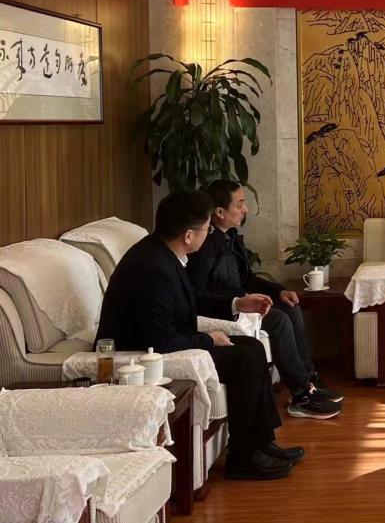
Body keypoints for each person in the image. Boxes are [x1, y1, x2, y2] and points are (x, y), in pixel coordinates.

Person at [95, 191, 303, 480]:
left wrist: (237, 303)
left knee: (252, 347)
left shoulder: (163, 253)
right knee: (245, 357)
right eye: (207, 229)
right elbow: (161, 340)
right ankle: (243, 458)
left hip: (165, 340)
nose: (209, 234)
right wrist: (209, 339)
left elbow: (189, 301)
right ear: (189, 235)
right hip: (143, 354)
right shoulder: (153, 268)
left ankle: (261, 443)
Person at [187, 179, 342, 420]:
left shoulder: (231, 237)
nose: (245, 209)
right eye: (240, 204)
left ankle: (308, 380)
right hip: (222, 310)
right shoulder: (203, 246)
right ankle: (301, 397)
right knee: (278, 320)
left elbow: (248, 278)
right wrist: (238, 302)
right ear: (219, 212)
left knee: (290, 306)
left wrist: (279, 291)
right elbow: (195, 295)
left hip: (242, 304)